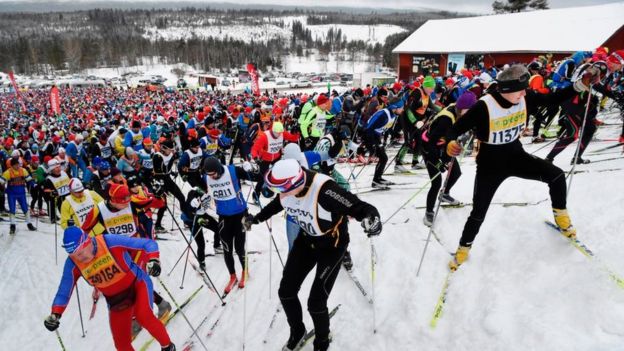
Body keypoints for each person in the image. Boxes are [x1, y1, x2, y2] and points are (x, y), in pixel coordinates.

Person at [444, 64, 597, 271]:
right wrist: (450, 143)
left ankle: (562, 218)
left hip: (516, 157)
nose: (525, 93)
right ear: (506, 90)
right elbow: (455, 129)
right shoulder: (484, 106)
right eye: (521, 89)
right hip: (490, 166)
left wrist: (580, 85)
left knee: (557, 176)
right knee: (479, 212)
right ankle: (463, 249)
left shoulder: (526, 98)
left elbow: (554, 98)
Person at [243, 159, 381, 351]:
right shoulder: (287, 191)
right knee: (286, 292)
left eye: (279, 188)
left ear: (293, 184)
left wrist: (372, 218)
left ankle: (322, 342)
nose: (278, 193)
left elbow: (359, 207)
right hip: (307, 242)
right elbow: (278, 204)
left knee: (316, 302)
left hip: (332, 246)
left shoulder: (325, 190)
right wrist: (256, 219)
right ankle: (297, 332)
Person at [44, 226, 175, 351]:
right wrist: (55, 314)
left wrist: (154, 259)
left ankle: (168, 347)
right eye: (76, 255)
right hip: (116, 300)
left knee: (143, 316)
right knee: (121, 343)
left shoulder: (108, 242)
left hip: (137, 284)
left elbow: (147, 244)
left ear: (88, 240)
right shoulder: (72, 263)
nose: (81, 257)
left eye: (82, 251)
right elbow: (64, 290)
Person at [202, 157, 259, 294]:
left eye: (214, 174)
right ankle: (232, 276)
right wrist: (198, 198)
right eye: (209, 175)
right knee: (227, 249)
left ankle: (244, 271)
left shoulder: (233, 171)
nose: (212, 177)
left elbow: (256, 178)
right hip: (223, 217)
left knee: (239, 248)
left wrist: (251, 169)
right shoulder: (207, 177)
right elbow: (196, 185)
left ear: (219, 169)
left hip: (240, 215)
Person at [421, 91, 477, 226]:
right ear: (463, 108)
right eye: (470, 111)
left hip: (444, 147)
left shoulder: (458, 110)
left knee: (456, 173)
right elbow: (431, 143)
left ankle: (444, 194)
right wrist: (438, 162)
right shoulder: (446, 120)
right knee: (436, 182)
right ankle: (429, 212)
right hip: (429, 148)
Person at [363, 96, 405, 188]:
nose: (403, 109)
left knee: (383, 158)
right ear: (395, 107)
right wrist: (373, 144)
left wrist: (396, 135)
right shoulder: (383, 114)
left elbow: (387, 128)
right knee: (383, 158)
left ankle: (378, 178)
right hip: (369, 136)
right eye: (401, 107)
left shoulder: (393, 115)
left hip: (376, 136)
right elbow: (369, 128)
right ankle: (376, 181)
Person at [181, 189, 221, 271]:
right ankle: (201, 262)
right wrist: (193, 202)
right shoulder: (195, 195)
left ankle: (216, 246)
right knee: (201, 243)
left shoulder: (212, 191)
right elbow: (188, 211)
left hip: (202, 215)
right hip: (192, 219)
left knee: (218, 228)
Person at [0, 158, 37, 234]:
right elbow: (1, 182)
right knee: (12, 210)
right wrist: (3, 189)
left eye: (18, 164)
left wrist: (34, 185)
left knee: (25, 209)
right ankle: (12, 225)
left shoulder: (23, 170)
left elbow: (29, 179)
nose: (18, 166)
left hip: (21, 193)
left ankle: (29, 224)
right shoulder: (8, 172)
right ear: (12, 165)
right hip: (12, 194)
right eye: (16, 165)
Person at [43, 158, 71, 223]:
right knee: (53, 203)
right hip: (57, 197)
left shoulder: (64, 173)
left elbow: (70, 180)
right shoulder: (49, 179)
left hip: (67, 194)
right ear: (51, 170)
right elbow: (46, 191)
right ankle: (53, 217)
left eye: (59, 167)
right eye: (56, 168)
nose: (58, 169)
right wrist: (52, 192)